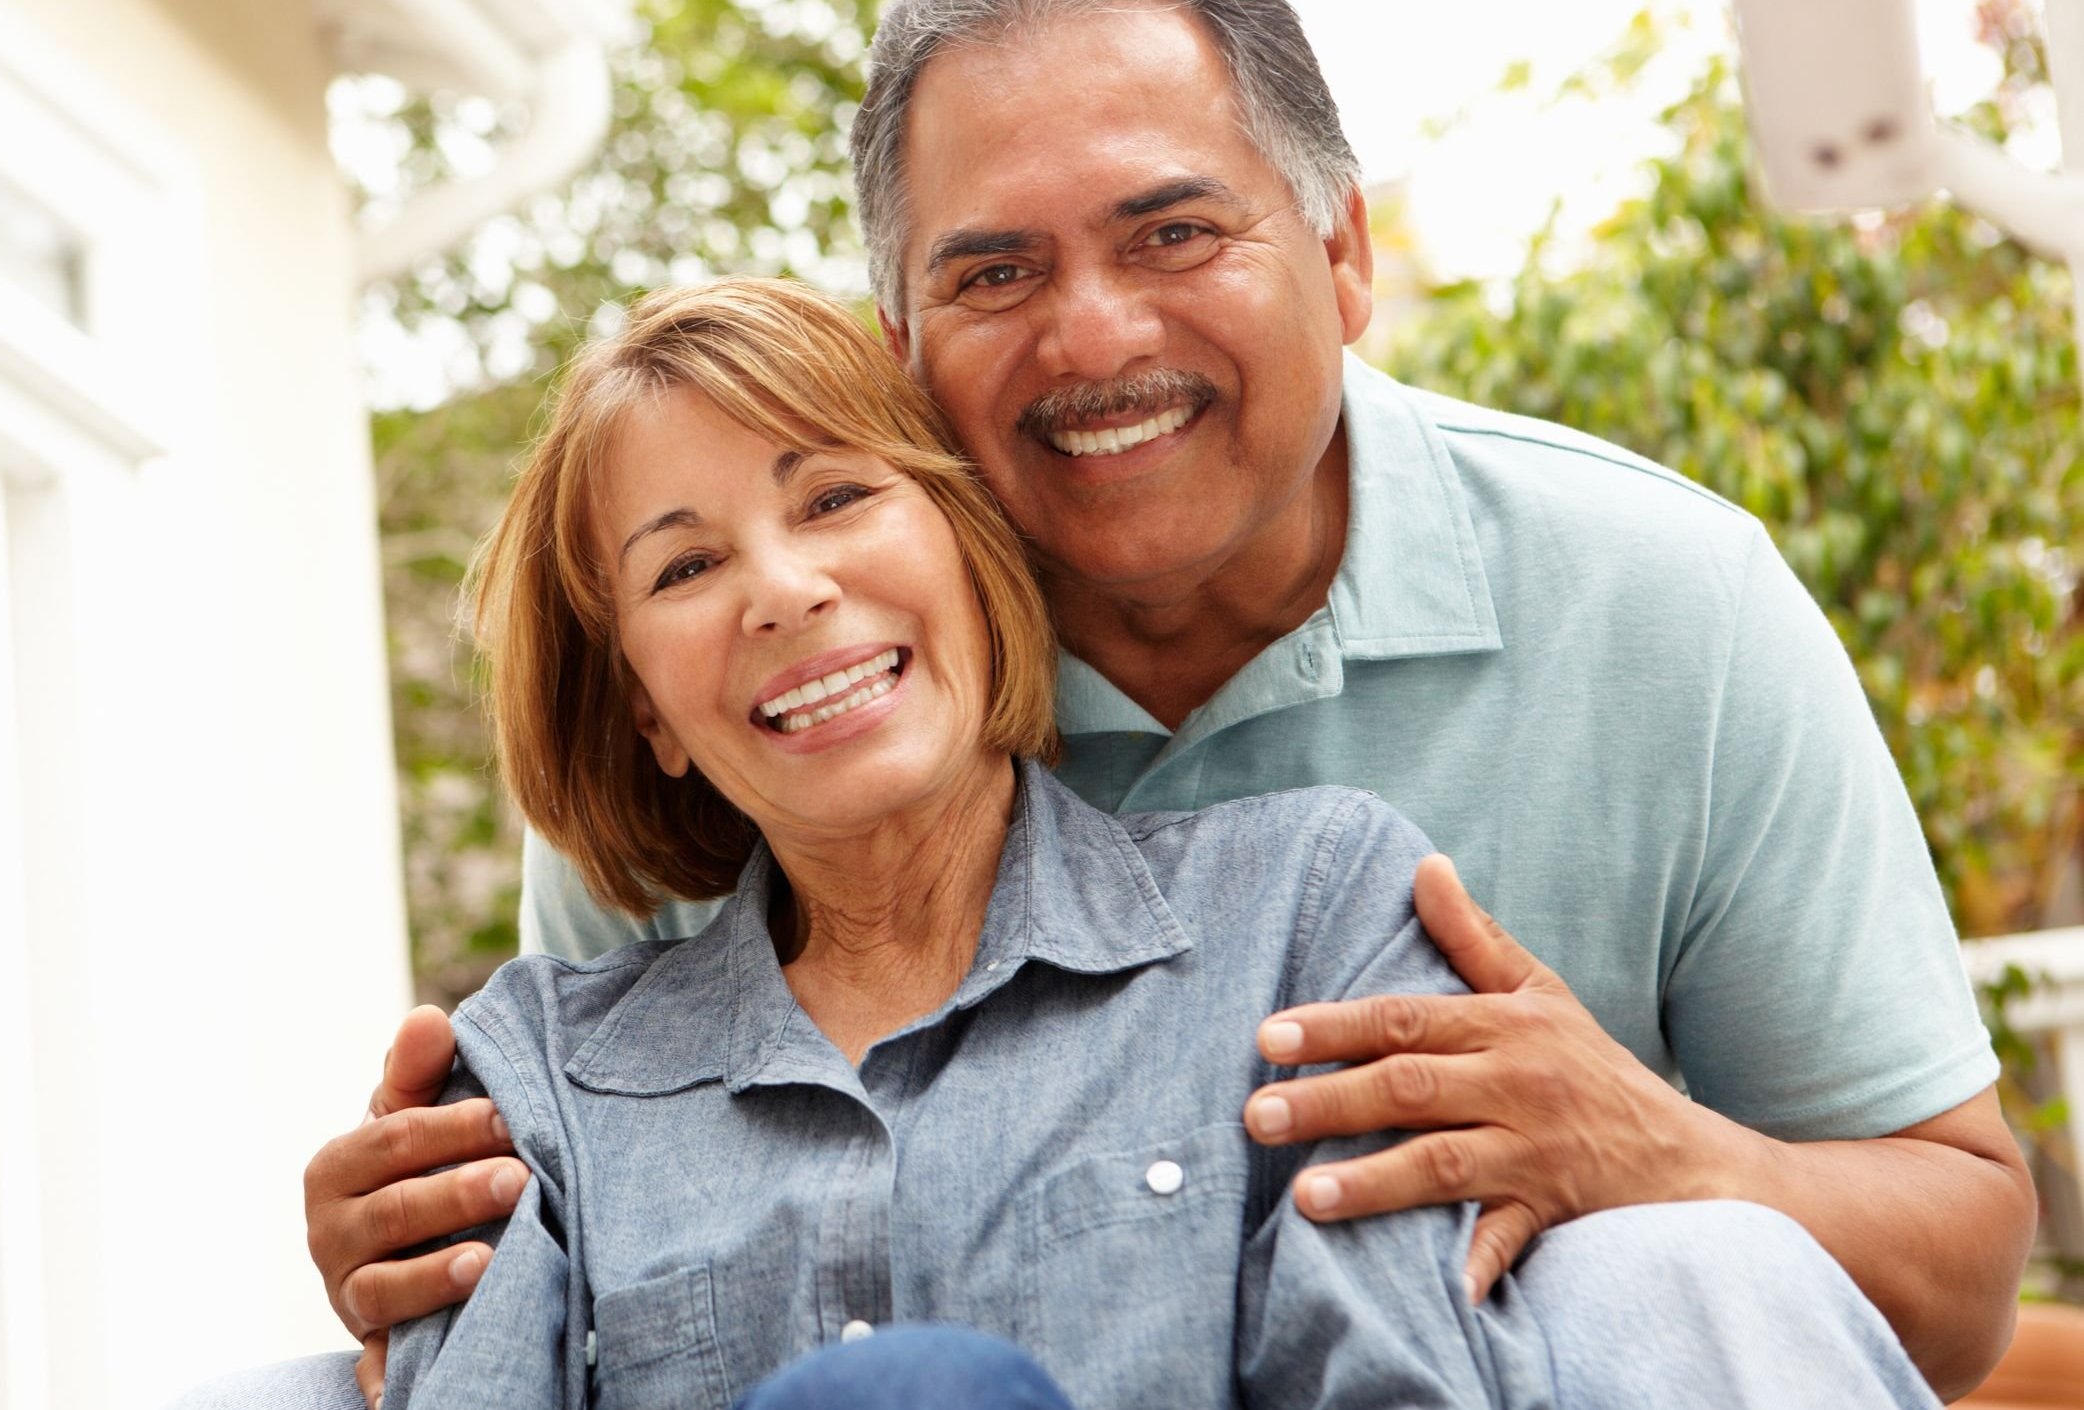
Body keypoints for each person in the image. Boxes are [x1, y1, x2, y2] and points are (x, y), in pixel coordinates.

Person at [304, 0, 2031, 1400]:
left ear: (1344, 253)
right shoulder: (796, 700)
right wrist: (428, 1251)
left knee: (1682, 1259)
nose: (1093, 333)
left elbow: (1960, 1277)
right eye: (992, 274)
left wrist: (1655, 1146)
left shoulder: (1661, 605)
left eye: (1175, 229)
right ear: (903, 345)